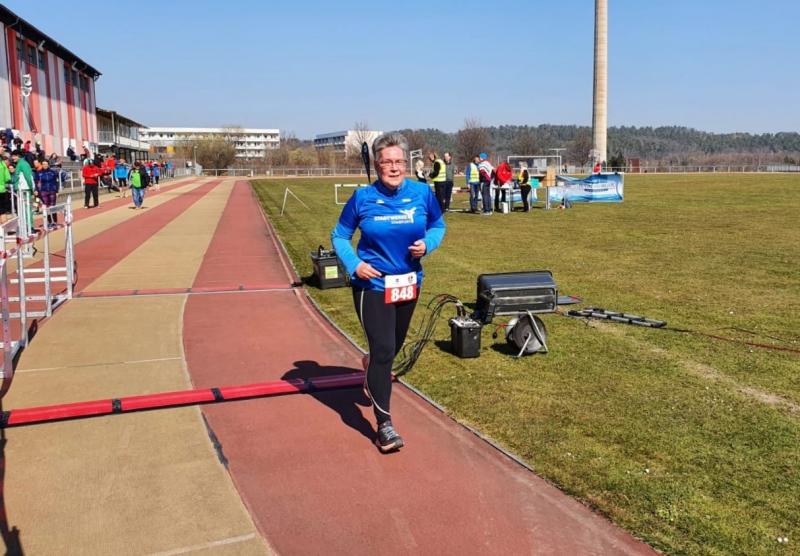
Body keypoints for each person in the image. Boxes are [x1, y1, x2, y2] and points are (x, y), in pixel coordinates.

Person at [331, 132, 446, 453]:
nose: (394, 168)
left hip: (409, 283)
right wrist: (354, 264)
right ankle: (384, 424)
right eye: (386, 162)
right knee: (384, 350)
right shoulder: (362, 198)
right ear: (377, 164)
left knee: (390, 348)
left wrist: (428, 244)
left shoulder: (422, 193)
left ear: (407, 164)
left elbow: (438, 226)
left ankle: (370, 366)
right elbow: (339, 235)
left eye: (399, 161)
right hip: (372, 285)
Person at [11, 150, 35, 224]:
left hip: (25, 189)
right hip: (22, 189)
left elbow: (28, 177)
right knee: (24, 208)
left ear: (18, 156)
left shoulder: (23, 164)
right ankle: (27, 226)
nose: (12, 158)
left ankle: (29, 226)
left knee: (27, 208)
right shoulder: (20, 164)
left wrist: (31, 189)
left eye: (14, 156)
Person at [35, 160, 60, 228]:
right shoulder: (39, 173)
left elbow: (56, 182)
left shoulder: (53, 172)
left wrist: (57, 191)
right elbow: (36, 183)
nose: (45, 165)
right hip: (43, 191)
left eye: (46, 164)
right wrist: (36, 190)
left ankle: (55, 222)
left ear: (48, 164)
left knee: (53, 207)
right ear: (42, 165)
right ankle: (49, 222)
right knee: (46, 207)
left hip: (52, 191)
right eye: (43, 164)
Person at [0, 158, 11, 223]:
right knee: (2, 209)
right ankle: (4, 227)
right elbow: (7, 178)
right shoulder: (2, 164)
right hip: (2, 189)